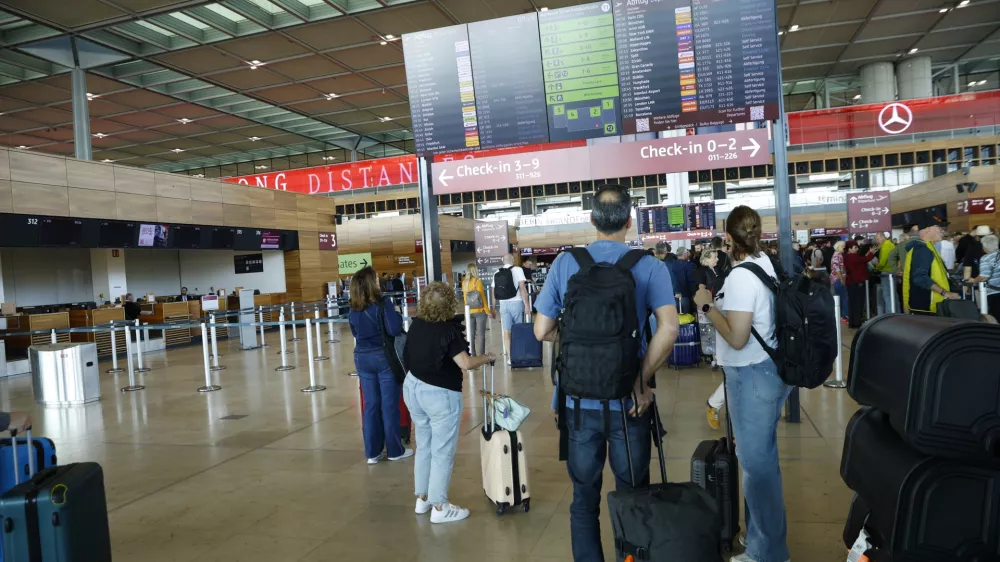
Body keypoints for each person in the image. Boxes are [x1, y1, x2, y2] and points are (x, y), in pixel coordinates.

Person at [533, 184, 679, 562]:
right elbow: (669, 329)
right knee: (632, 497)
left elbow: (541, 330)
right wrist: (640, 378)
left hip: (577, 401)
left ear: (592, 220)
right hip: (629, 403)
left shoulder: (566, 263)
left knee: (584, 499)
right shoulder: (650, 266)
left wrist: (577, 339)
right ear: (630, 221)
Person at [693, 205, 791, 562]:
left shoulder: (740, 278)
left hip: (750, 376)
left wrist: (707, 306)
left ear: (728, 238)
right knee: (763, 461)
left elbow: (737, 337)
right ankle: (761, 539)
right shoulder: (765, 264)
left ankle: (768, 554)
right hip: (769, 371)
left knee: (756, 468)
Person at [403, 282, 494, 524]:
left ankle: (422, 498)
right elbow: (466, 363)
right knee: (442, 451)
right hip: (440, 394)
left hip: (413, 388)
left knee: (424, 445)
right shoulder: (448, 331)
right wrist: (487, 357)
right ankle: (440, 507)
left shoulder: (416, 325)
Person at [348, 267, 412, 465]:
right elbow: (394, 329)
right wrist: (398, 316)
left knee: (370, 405)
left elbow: (354, 332)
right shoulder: (383, 303)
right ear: (372, 283)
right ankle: (394, 450)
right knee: (389, 405)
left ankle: (372, 453)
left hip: (361, 358)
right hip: (383, 357)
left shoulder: (353, 307)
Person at [903, 224, 960, 315]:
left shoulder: (928, 248)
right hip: (927, 307)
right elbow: (919, 277)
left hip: (932, 305)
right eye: (939, 228)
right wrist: (945, 293)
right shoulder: (922, 250)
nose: (942, 231)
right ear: (928, 229)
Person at [493, 254, 530, 365]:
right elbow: (522, 288)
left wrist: (493, 308)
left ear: (503, 261)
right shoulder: (518, 270)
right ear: (513, 260)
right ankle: (519, 355)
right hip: (517, 302)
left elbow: (493, 292)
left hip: (503, 304)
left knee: (507, 331)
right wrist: (527, 305)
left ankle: (510, 357)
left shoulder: (497, 272)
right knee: (518, 330)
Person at [843, 240, 878, 328]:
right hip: (856, 282)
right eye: (855, 247)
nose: (857, 249)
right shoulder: (852, 256)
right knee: (858, 303)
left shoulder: (848, 257)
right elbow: (864, 259)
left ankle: (853, 322)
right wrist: (871, 253)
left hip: (851, 282)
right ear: (849, 249)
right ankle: (857, 322)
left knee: (853, 303)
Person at [462, 264, 491, 357]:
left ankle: (472, 355)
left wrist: (466, 310)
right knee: (481, 335)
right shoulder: (477, 281)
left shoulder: (464, 283)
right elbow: (482, 297)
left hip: (469, 311)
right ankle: (481, 355)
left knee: (471, 335)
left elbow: (465, 299)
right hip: (479, 311)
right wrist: (487, 311)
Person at [872, 232, 896, 315]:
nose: (877, 241)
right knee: (894, 294)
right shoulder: (891, 244)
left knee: (887, 295)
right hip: (893, 271)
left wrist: (876, 268)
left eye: (878, 239)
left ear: (883, 238)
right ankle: (896, 313)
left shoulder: (886, 246)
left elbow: (882, 262)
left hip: (887, 272)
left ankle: (890, 315)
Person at [977, 234, 1000, 319]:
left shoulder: (985, 258)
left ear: (985, 247)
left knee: (996, 317)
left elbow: (984, 277)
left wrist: (974, 280)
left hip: (994, 293)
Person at [670, 247, 696, 313]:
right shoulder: (691, 266)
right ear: (685, 254)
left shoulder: (671, 265)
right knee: (687, 316)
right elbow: (692, 282)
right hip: (686, 295)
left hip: (673, 296)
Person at [830, 241, 849, 323]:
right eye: (842, 246)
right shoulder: (837, 255)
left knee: (842, 297)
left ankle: (842, 315)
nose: (844, 248)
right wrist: (841, 279)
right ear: (838, 247)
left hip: (838, 278)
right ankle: (844, 315)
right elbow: (836, 268)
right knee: (843, 297)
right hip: (837, 279)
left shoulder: (839, 255)